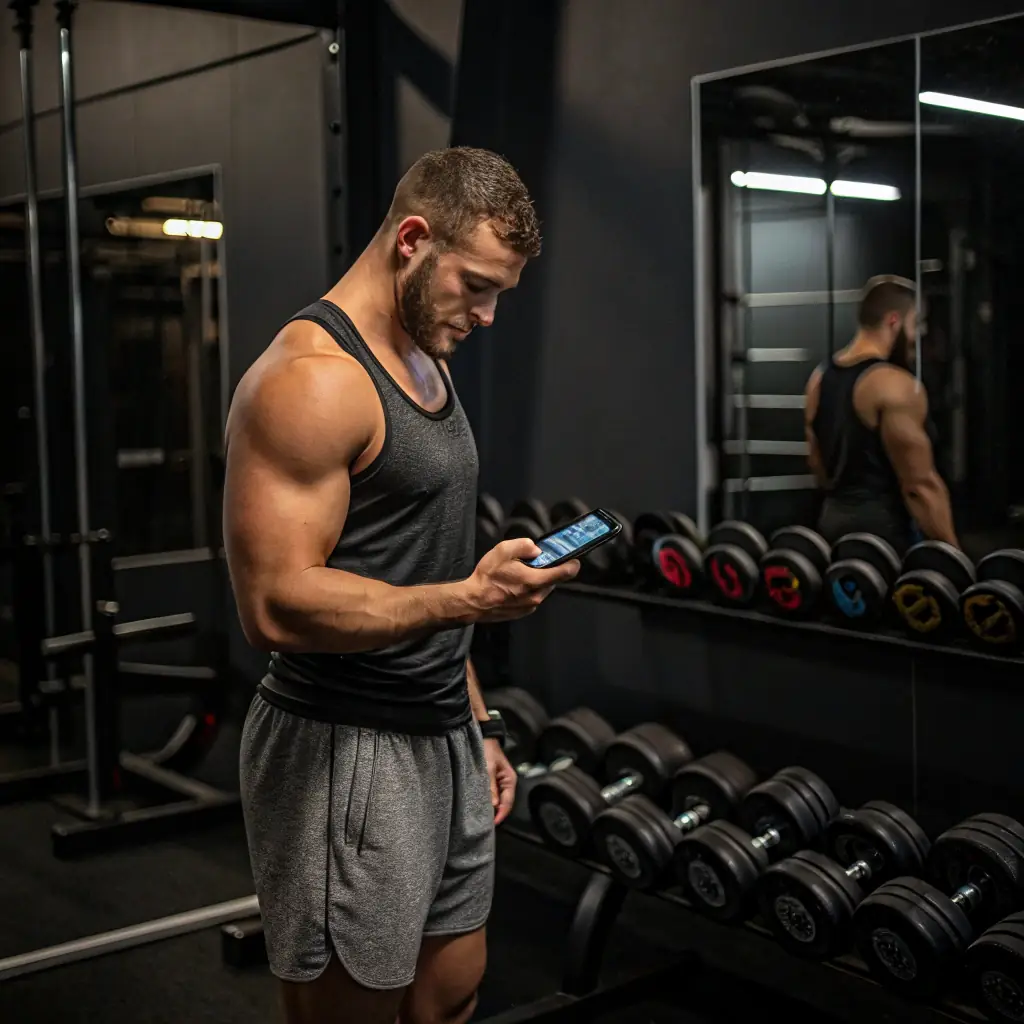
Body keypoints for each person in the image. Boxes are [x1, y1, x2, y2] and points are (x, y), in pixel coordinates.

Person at [222, 147, 580, 1024]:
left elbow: (418, 563)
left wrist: (476, 719)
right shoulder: (311, 382)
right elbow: (274, 604)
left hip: (440, 735)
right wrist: (470, 599)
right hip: (344, 749)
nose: (489, 316)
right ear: (413, 239)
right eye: (479, 286)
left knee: (450, 998)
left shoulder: (428, 355)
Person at [804, 274, 959, 555]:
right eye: (914, 325)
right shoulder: (894, 384)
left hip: (830, 528)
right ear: (893, 321)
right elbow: (919, 486)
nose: (916, 336)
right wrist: (955, 558)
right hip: (884, 539)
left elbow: (817, 464)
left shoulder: (819, 378)